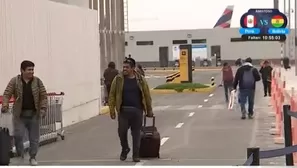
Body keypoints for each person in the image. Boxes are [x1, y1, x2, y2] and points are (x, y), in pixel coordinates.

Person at [1, 60, 47, 166]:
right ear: (22, 70)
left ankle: (32, 157)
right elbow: (7, 93)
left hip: (34, 115)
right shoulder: (15, 81)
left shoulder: (37, 81)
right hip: (19, 116)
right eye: (29, 70)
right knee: (18, 136)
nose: (31, 72)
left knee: (34, 139)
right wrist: (5, 105)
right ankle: (20, 153)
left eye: (32, 70)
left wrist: (43, 108)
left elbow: (43, 96)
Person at [108, 58, 153, 162]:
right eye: (123, 67)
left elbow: (147, 95)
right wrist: (111, 110)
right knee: (122, 132)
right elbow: (112, 95)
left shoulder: (140, 80)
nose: (124, 69)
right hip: (123, 111)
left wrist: (149, 110)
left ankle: (136, 154)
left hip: (137, 111)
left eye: (127, 67)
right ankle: (125, 148)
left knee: (136, 133)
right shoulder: (118, 79)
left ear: (133, 68)